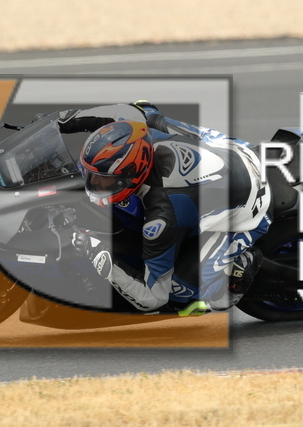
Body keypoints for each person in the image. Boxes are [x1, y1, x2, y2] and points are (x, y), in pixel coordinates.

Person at [58, 102, 272, 314]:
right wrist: (62, 121)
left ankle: (237, 274)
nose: (94, 182)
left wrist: (97, 253)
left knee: (179, 294)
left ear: (131, 174)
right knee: (147, 111)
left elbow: (153, 299)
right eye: (91, 174)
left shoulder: (162, 216)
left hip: (253, 202)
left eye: (104, 179)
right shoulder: (137, 128)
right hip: (234, 150)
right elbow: (122, 111)